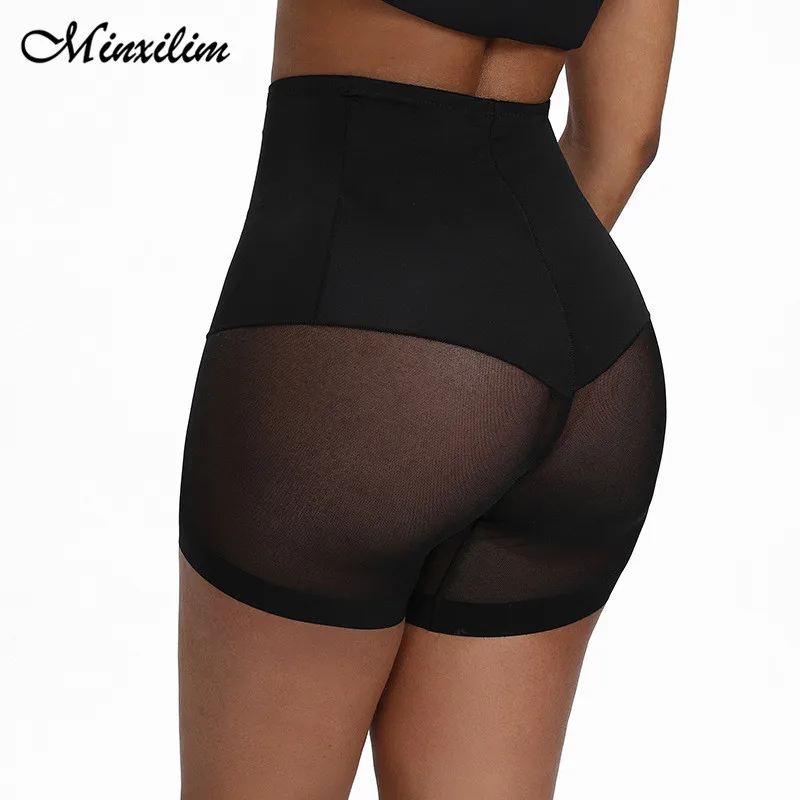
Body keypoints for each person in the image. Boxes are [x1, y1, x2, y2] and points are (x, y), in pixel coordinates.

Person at [177, 0, 679, 796]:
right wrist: (495, 331)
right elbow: (626, 140)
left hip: (350, 340)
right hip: (593, 353)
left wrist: (431, 333)